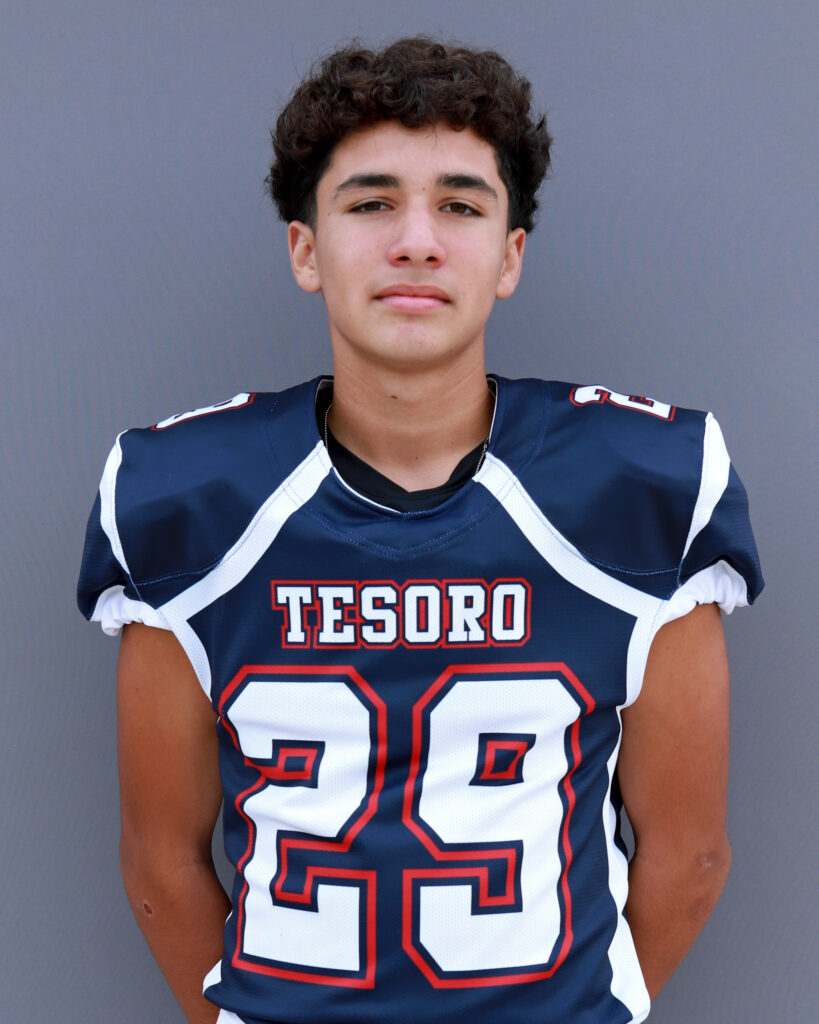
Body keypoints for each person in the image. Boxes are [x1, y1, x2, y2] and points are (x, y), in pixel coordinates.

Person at [77, 37, 763, 1024]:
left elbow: (690, 854)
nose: (416, 241)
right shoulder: (187, 496)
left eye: (460, 205)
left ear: (509, 254)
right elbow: (160, 860)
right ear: (305, 248)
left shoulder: (641, 485)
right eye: (369, 203)